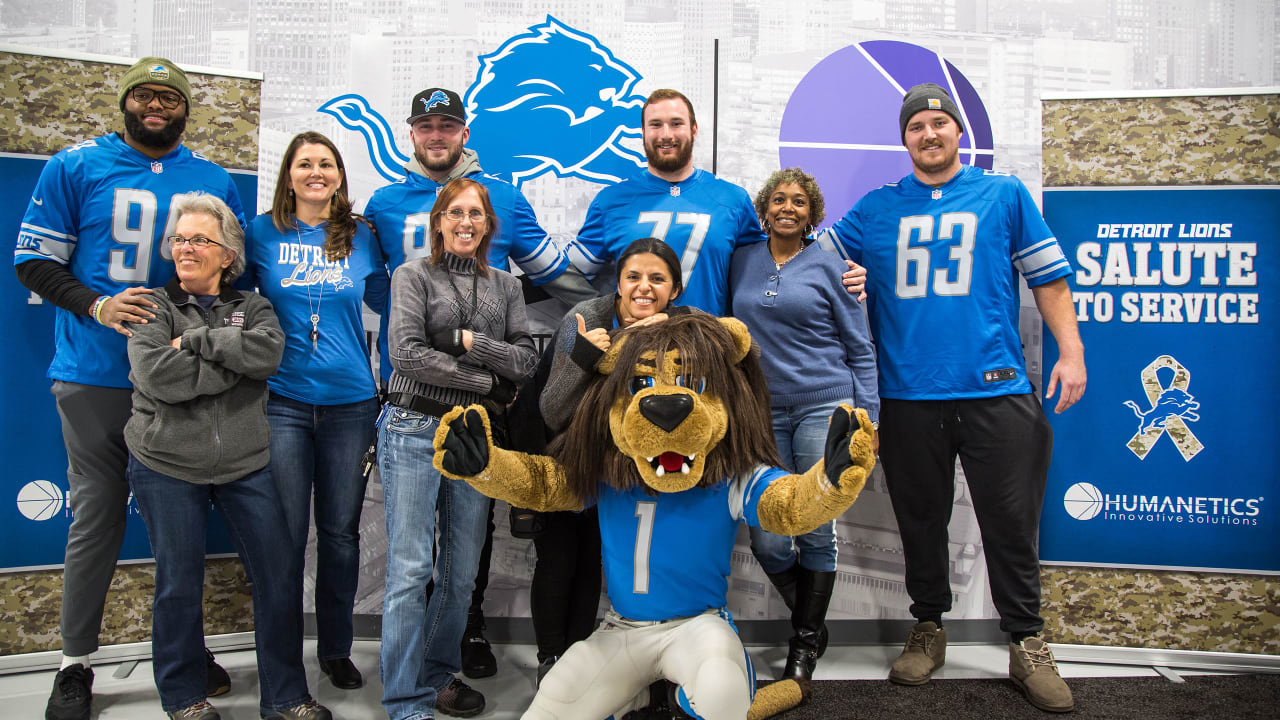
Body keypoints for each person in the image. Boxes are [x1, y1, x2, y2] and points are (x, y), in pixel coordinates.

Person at [817, 83, 1087, 713]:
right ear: (904, 138)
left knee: (1010, 524)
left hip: (997, 389)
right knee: (920, 521)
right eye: (917, 127)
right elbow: (815, 265)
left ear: (958, 133)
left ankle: (1026, 641)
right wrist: (844, 277)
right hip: (907, 395)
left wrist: (1071, 353)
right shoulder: (876, 209)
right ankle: (928, 627)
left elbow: (1048, 277)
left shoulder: (1003, 194)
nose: (929, 134)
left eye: (940, 124)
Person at [13, 56, 241, 720]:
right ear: (125, 102)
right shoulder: (76, 165)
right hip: (96, 374)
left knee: (182, 526)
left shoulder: (213, 178)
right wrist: (96, 305)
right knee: (95, 519)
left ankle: (183, 651)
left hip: (179, 378)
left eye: (170, 97)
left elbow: (229, 278)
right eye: (145, 94)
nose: (157, 105)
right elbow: (33, 260)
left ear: (184, 108)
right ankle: (73, 662)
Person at [364, 86, 597, 682]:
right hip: (412, 402)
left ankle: (465, 630)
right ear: (411, 134)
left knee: (468, 546)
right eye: (425, 126)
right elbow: (369, 291)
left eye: (447, 125)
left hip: (481, 408)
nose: (436, 135)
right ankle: (408, 683)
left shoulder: (506, 202)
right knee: (413, 559)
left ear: (464, 133)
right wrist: (435, 346)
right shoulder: (385, 202)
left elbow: (558, 280)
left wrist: (621, 303)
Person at [123, 192, 329, 720]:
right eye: (179, 239)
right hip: (166, 462)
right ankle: (183, 697)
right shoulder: (150, 305)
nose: (185, 248)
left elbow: (267, 354)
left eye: (199, 240)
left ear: (228, 254)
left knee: (279, 575)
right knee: (178, 582)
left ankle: (285, 697)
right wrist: (228, 359)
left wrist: (192, 340)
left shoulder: (254, 307)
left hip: (244, 462)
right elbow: (158, 378)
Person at [378, 177, 538, 720]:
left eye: (476, 213)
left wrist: (471, 343)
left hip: (474, 436)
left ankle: (435, 675)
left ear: (489, 223)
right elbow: (407, 355)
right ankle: (404, 700)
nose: (465, 222)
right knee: (409, 568)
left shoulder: (507, 287)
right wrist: (487, 384)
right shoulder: (411, 275)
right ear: (439, 222)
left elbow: (524, 362)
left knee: (462, 572)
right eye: (455, 213)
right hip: (412, 427)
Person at [242, 132, 390, 691]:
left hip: (351, 403)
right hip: (282, 401)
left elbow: (384, 299)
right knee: (282, 533)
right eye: (305, 163)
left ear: (339, 176)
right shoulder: (260, 232)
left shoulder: (360, 236)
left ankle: (335, 648)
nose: (315, 172)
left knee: (341, 532)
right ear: (289, 174)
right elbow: (236, 303)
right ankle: (279, 658)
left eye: (325, 164)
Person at [728, 168, 880, 683]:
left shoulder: (834, 268)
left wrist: (868, 421)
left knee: (815, 526)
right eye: (778, 199)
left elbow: (860, 349)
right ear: (764, 209)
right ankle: (808, 619)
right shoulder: (740, 261)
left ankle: (805, 642)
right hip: (762, 411)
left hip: (825, 406)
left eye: (798, 201)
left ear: (812, 213)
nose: (787, 207)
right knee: (768, 534)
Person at [529, 237, 694, 684]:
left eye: (657, 279)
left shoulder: (686, 323)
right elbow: (552, 410)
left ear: (675, 289)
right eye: (633, 277)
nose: (644, 288)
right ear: (617, 284)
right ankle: (551, 660)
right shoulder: (586, 319)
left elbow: (741, 352)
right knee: (564, 557)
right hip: (574, 459)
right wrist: (586, 357)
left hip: (639, 471)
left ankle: (605, 660)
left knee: (609, 561)